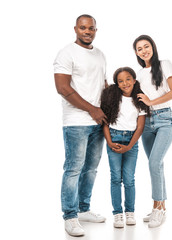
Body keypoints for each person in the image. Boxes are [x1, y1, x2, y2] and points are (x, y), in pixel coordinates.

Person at [53, 14, 107, 237]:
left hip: (99, 121)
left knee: (91, 169)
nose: (87, 31)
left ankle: (83, 209)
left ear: (96, 29)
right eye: (83, 27)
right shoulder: (66, 53)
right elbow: (62, 88)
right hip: (76, 122)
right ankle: (70, 216)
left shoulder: (100, 54)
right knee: (73, 169)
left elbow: (102, 85)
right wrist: (92, 109)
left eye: (91, 28)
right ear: (75, 28)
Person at [133, 35, 172, 228]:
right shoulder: (139, 73)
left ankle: (158, 210)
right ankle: (159, 207)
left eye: (147, 46)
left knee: (154, 162)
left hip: (164, 119)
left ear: (153, 47)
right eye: (139, 49)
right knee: (156, 165)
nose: (144, 51)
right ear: (136, 53)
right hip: (147, 122)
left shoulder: (164, 64)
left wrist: (152, 102)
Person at [100, 67, 149, 228]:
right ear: (117, 84)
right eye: (120, 81)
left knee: (129, 179)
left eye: (128, 79)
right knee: (115, 177)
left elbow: (140, 127)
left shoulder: (140, 100)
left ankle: (130, 212)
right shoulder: (112, 98)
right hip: (113, 138)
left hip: (131, 141)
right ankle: (118, 214)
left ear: (134, 80)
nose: (125, 83)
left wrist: (129, 147)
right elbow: (105, 123)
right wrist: (109, 141)